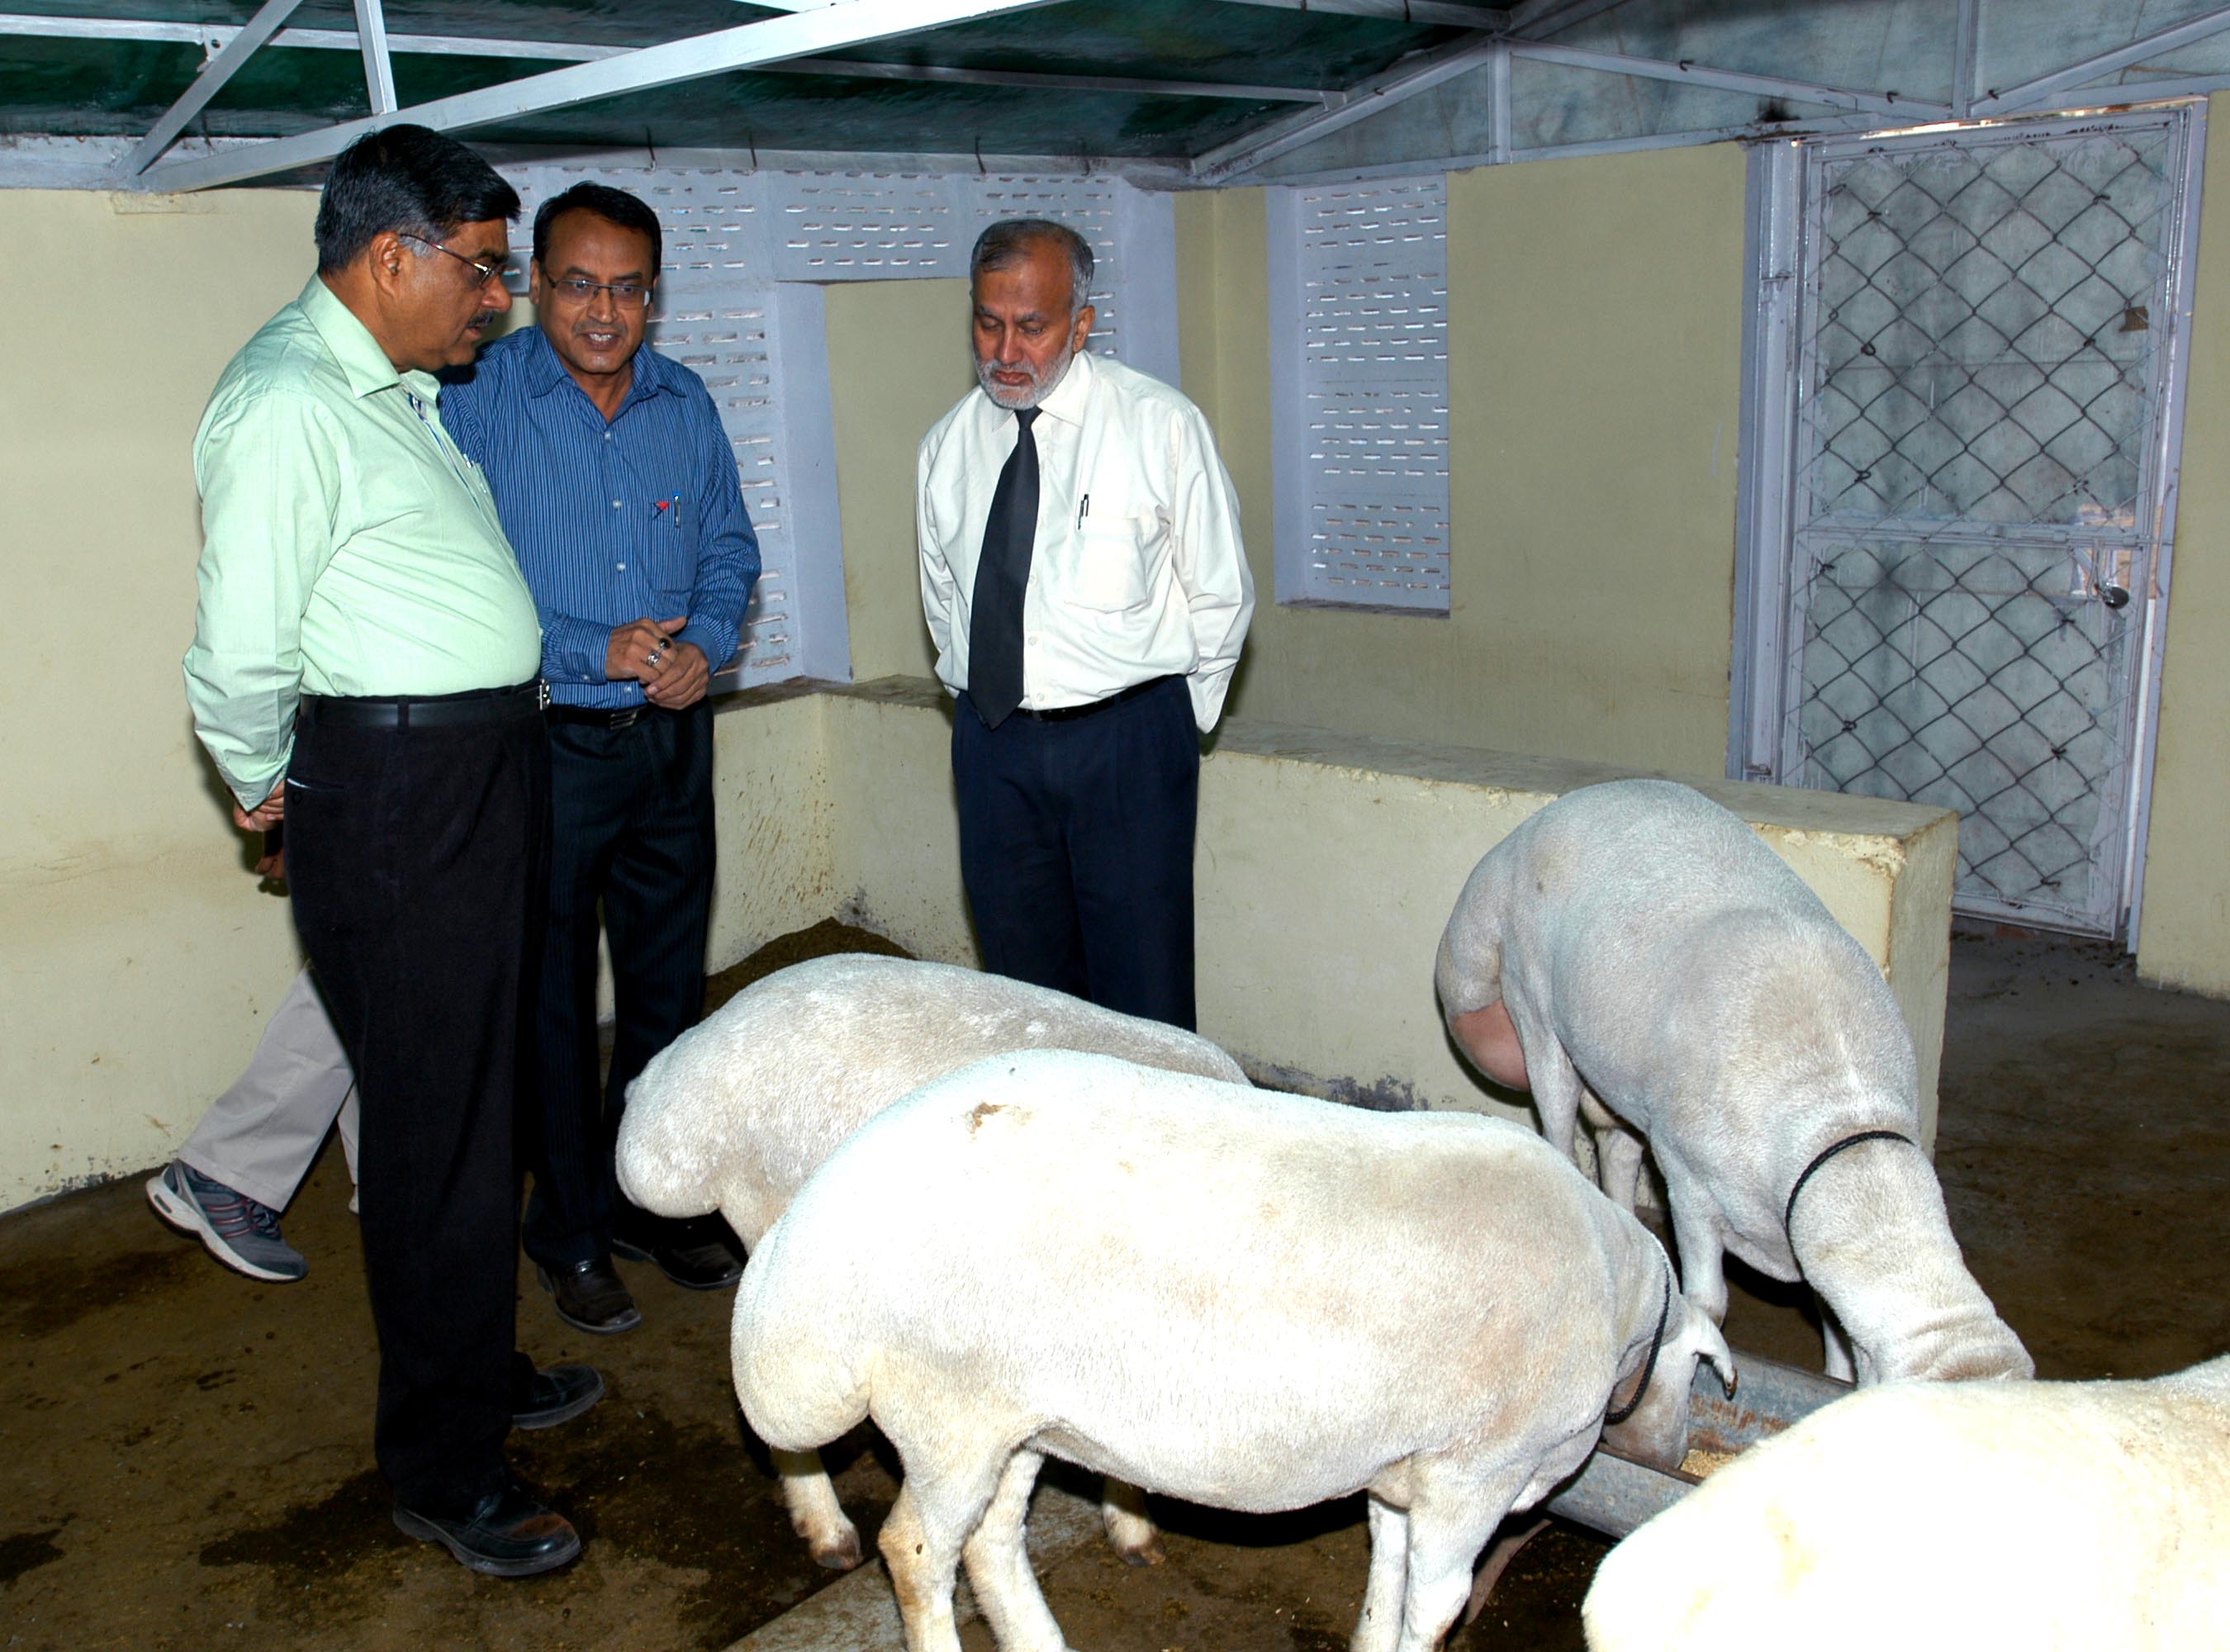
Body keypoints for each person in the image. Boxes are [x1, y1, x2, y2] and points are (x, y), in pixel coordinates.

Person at [182, 124, 596, 1578]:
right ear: (388, 256)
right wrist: (269, 792)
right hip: (401, 784)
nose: (498, 299)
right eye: (483, 272)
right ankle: (444, 1466)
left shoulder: (393, 388)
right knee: (433, 1141)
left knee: (481, 1111)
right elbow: (238, 654)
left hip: (467, 768)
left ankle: (475, 1374)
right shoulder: (290, 404)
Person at [440, 183, 759, 1338]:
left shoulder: (686, 403)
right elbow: (450, 577)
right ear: (534, 284)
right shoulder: (476, 403)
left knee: (672, 998)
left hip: (672, 741)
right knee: (554, 1011)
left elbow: (729, 549)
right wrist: (589, 647)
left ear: (653, 297)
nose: (604, 310)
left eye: (628, 288)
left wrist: (707, 648)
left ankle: (654, 1203)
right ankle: (568, 1231)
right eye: (579, 283)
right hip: (549, 741)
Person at [918, 218, 1254, 1032]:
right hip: (995, 749)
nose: (1006, 349)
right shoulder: (948, 447)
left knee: (1145, 1001)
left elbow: (1220, 594)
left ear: (1081, 322)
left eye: (1031, 326)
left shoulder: (1159, 426)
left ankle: (1162, 1154)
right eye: (988, 321)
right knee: (1028, 1001)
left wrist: (1169, 729)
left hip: (1128, 747)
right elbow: (944, 603)